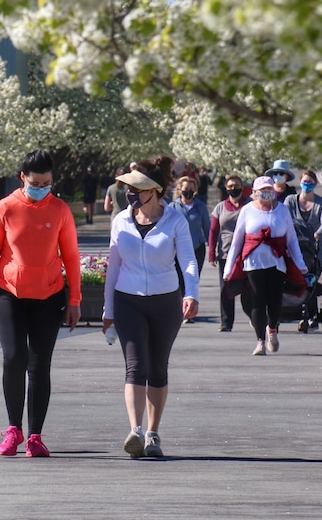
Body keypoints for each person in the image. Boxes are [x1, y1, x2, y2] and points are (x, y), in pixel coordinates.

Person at [0, 150, 81, 458]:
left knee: (39, 363)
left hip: (49, 295)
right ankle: (12, 430)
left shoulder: (59, 210)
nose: (42, 187)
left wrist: (74, 300)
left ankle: (34, 435)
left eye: (47, 182)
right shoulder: (5, 208)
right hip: (9, 294)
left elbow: (71, 257)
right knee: (14, 356)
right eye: (36, 182)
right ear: (22, 178)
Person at [102, 156, 199, 458]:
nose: (131, 194)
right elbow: (114, 266)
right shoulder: (120, 221)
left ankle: (153, 434)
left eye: (138, 189)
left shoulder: (175, 220)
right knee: (135, 366)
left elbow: (188, 261)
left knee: (157, 367)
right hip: (127, 299)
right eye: (128, 189)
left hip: (165, 300)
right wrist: (108, 311)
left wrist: (191, 294)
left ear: (154, 190)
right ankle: (135, 430)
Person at [223, 176, 307, 356]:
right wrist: (228, 268)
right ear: (254, 193)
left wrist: (300, 263)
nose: (267, 193)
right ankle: (260, 341)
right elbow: (237, 242)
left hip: (277, 263)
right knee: (258, 301)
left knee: (275, 301)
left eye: (269, 189)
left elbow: (291, 240)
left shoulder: (282, 211)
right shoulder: (247, 211)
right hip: (253, 264)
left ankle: (272, 329)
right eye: (262, 190)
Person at [208, 174, 253, 332]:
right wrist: (212, 254)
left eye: (236, 185)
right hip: (226, 253)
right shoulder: (220, 207)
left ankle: (255, 317)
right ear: (226, 188)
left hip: (246, 252)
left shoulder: (250, 205)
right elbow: (214, 231)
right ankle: (226, 322)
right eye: (230, 186)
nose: (234, 189)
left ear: (242, 187)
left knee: (248, 288)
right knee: (226, 288)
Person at [285, 170, 322, 274]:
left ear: (315, 184)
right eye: (305, 181)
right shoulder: (290, 200)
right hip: (295, 247)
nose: (307, 184)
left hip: (317, 249)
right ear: (300, 182)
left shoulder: (321, 203)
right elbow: (285, 220)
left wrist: (317, 234)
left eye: (310, 182)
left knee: (312, 281)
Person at [169, 176, 209, 276]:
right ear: (180, 189)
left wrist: (212, 248)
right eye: (186, 189)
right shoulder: (172, 207)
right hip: (177, 250)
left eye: (191, 189)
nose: (189, 191)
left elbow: (207, 227)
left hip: (197, 248)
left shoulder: (201, 207)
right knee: (179, 281)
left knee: (193, 278)